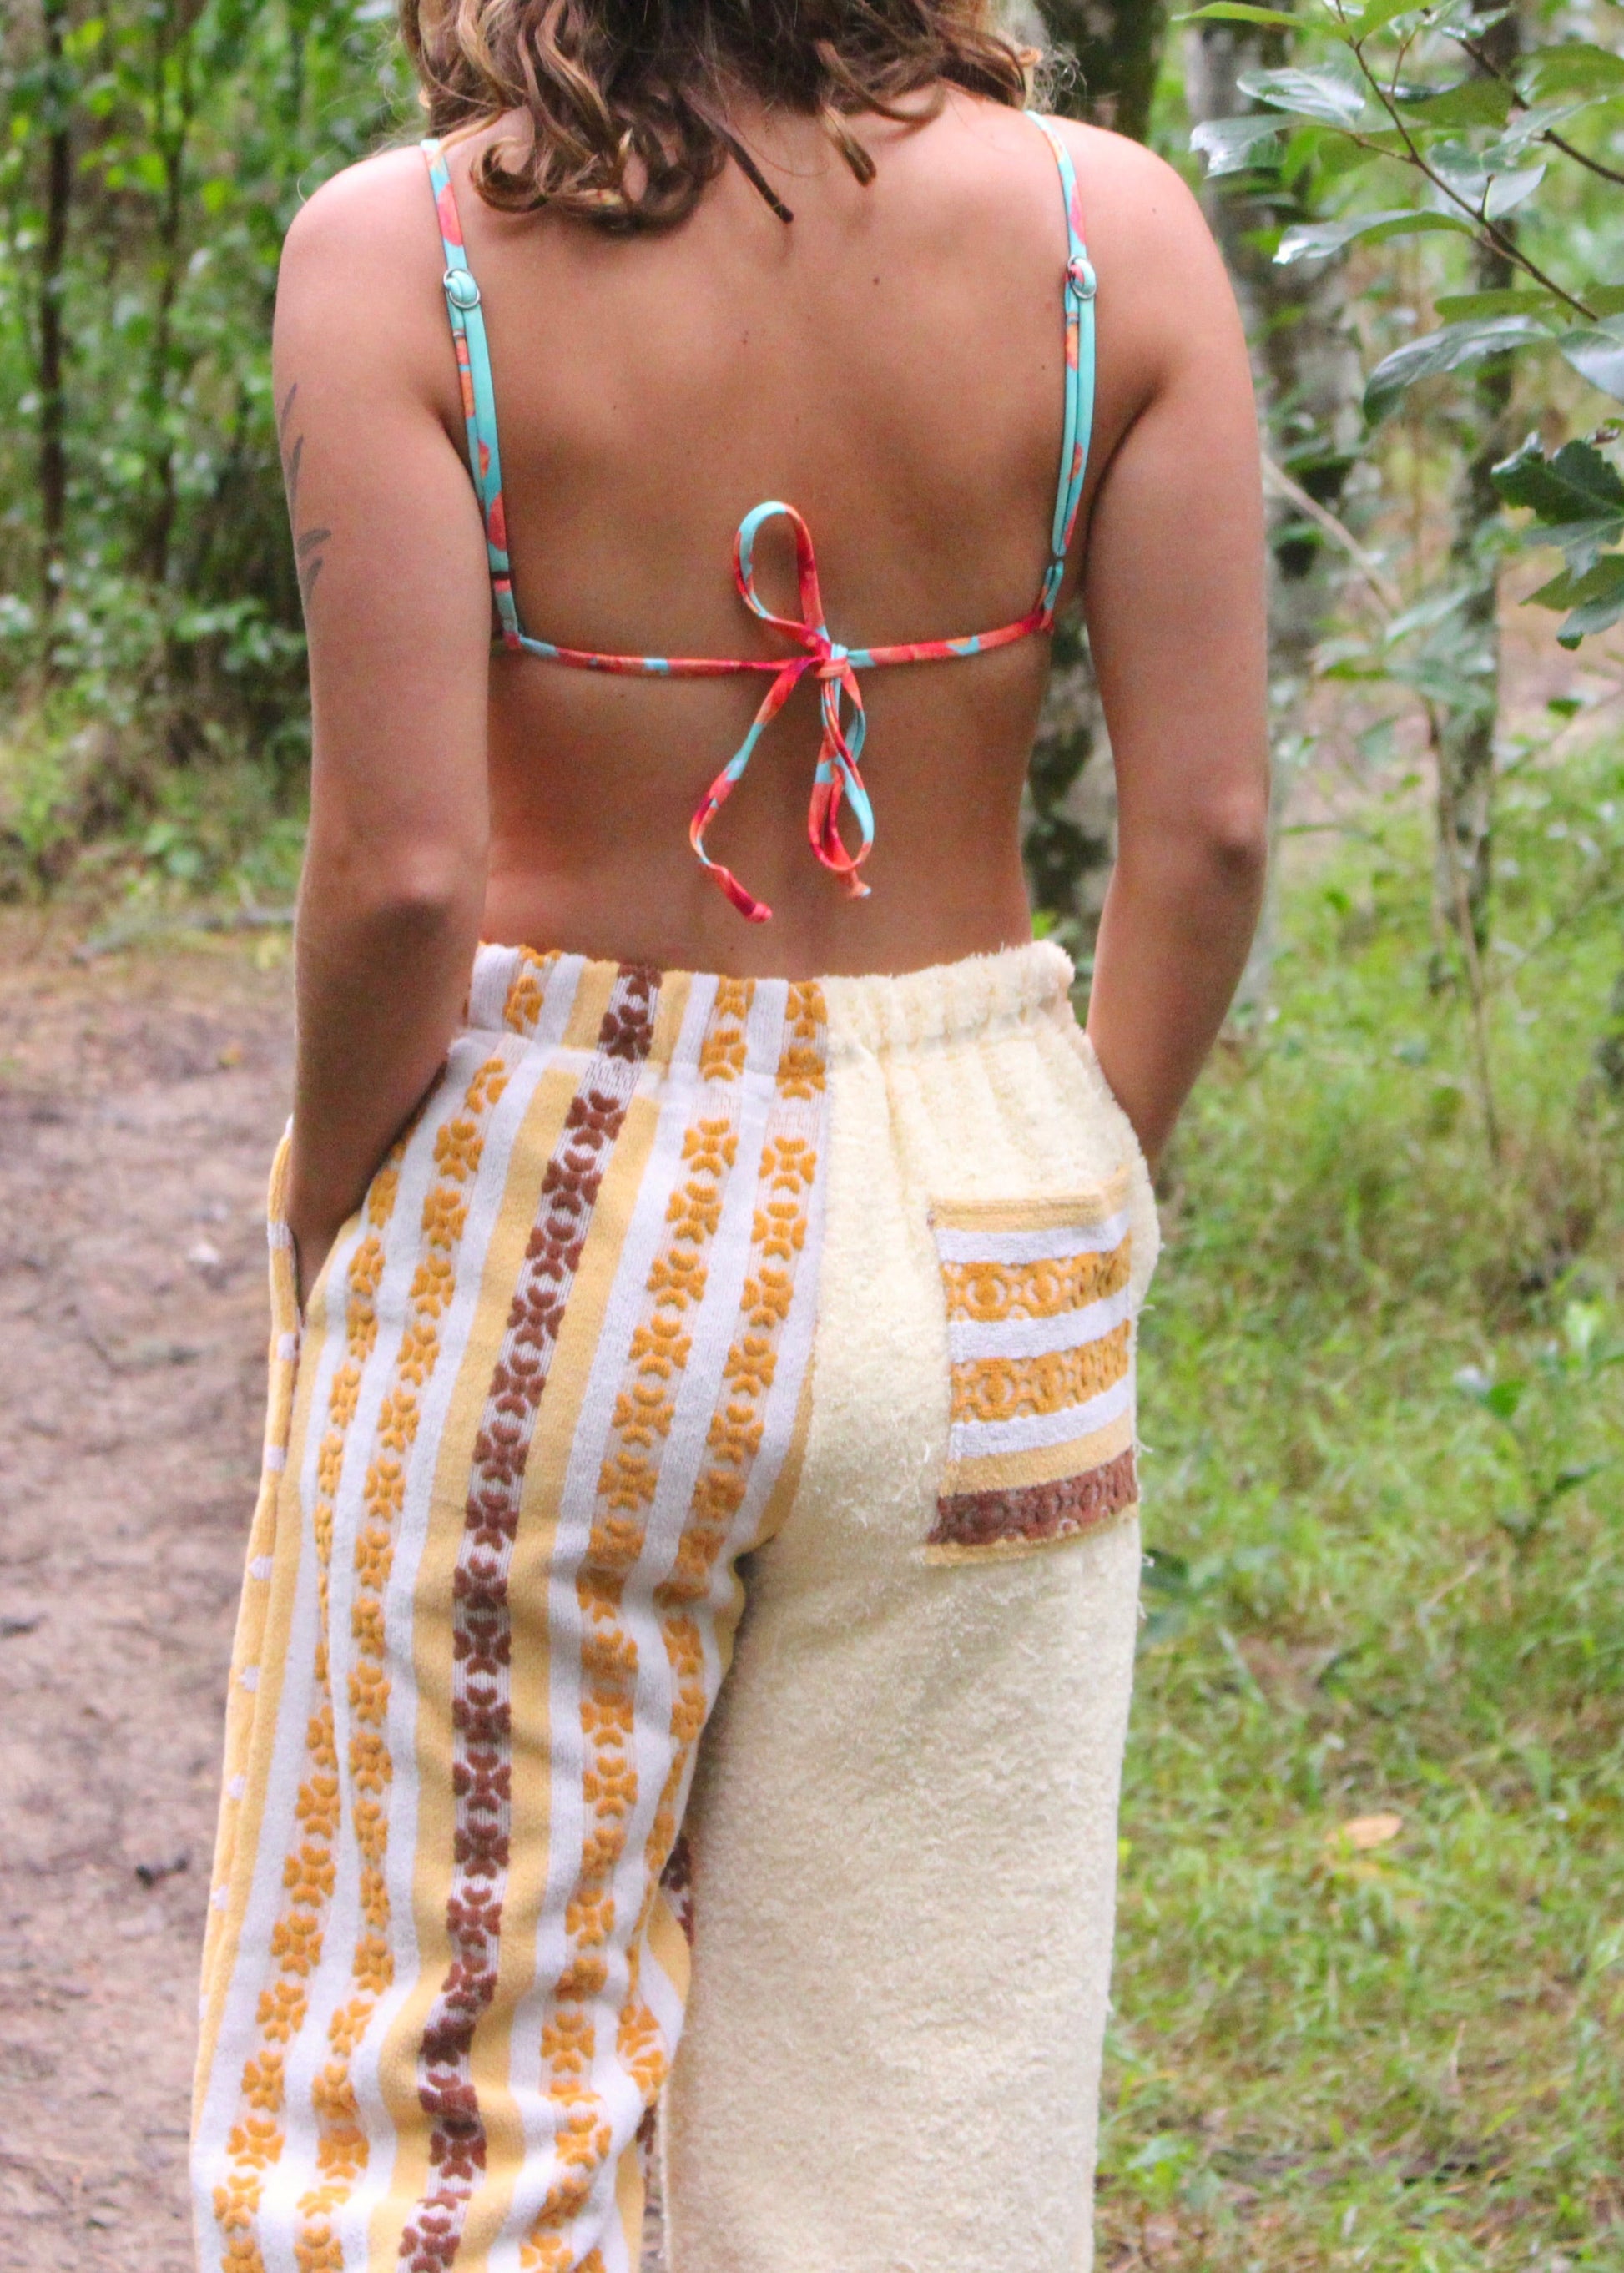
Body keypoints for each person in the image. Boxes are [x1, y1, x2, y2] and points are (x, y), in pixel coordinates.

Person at [189, 3, 1267, 2267]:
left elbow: (404, 872)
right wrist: (1083, 1187)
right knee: (923, 2116)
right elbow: (1208, 833)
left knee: (434, 2114)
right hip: (988, 1187)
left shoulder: (404, 255)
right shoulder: (1118, 235)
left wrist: (341, 1217)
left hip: (551, 1204)